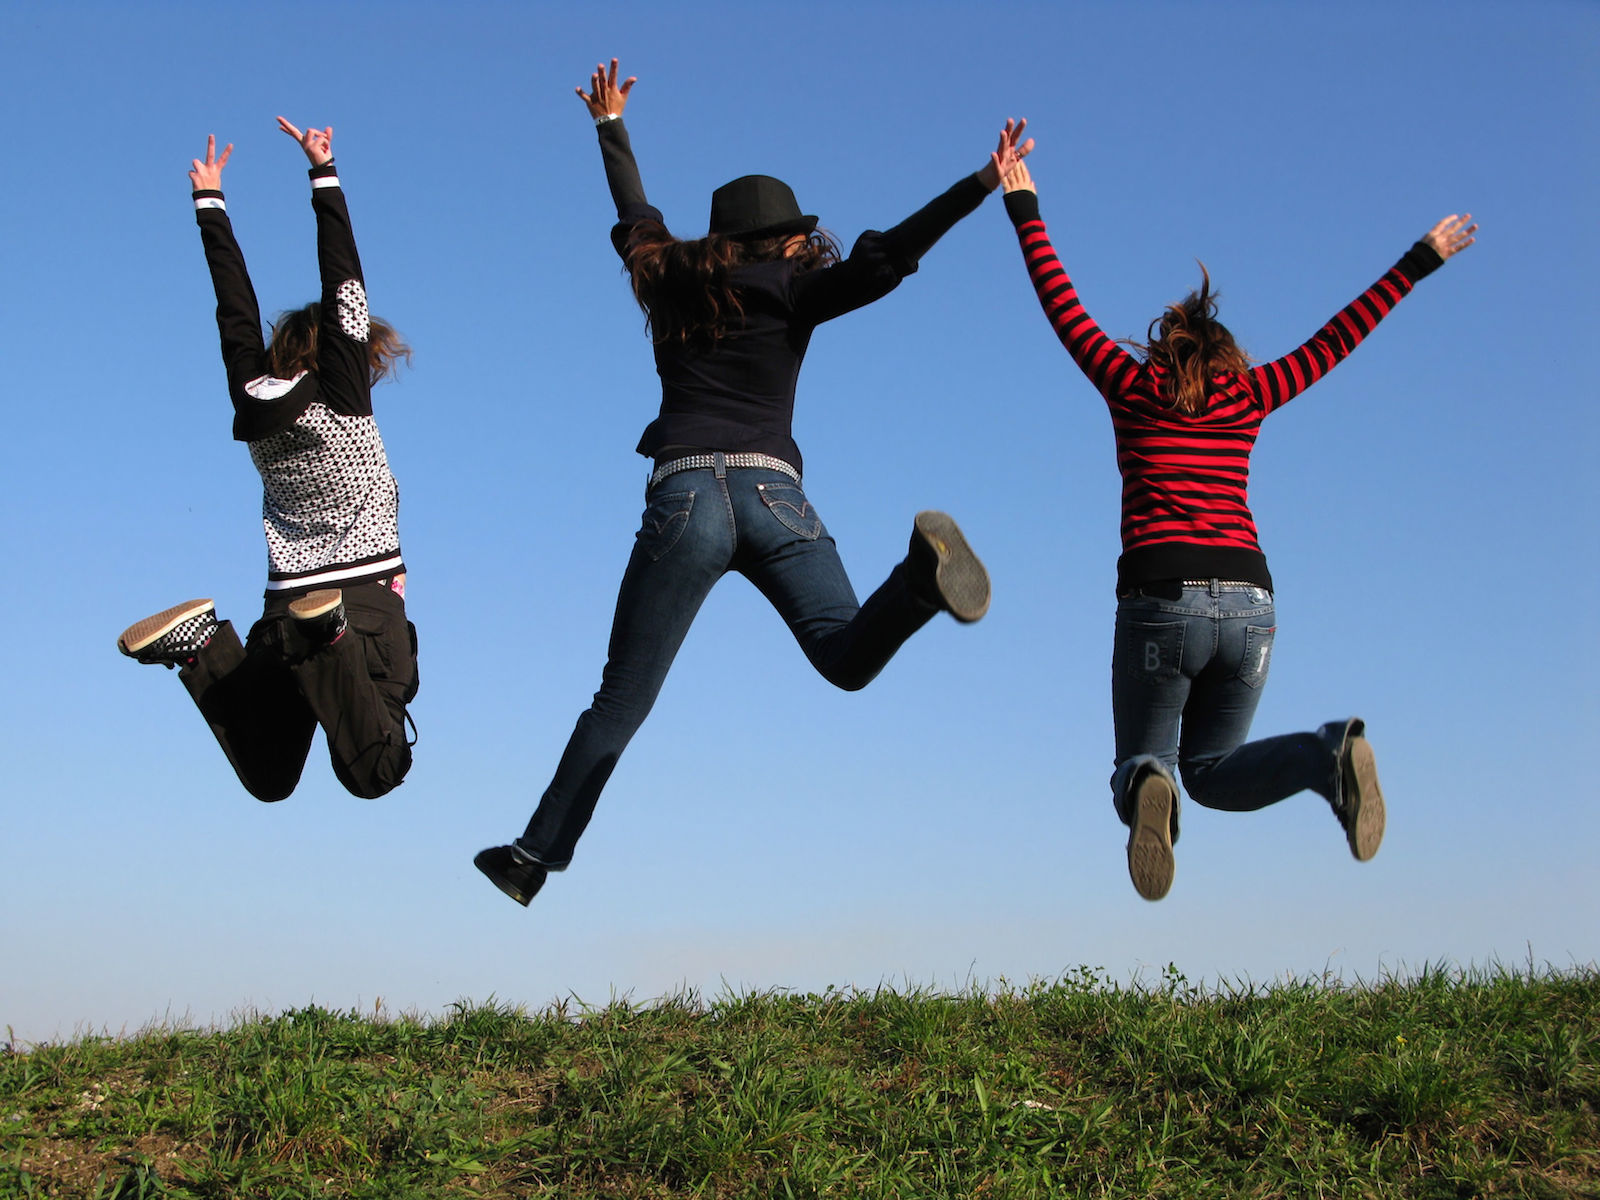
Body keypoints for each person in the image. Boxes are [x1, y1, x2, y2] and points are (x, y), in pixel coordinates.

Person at [474, 59, 1031, 906]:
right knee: (847, 657)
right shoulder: (794, 289)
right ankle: (918, 584)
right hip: (776, 498)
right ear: (786, 239)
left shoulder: (666, 280)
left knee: (619, 701)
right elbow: (886, 259)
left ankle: (532, 857)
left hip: (684, 495)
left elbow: (635, 214)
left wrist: (610, 127)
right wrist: (981, 184)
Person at [998, 158, 1475, 901]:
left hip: (1161, 594)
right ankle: (1326, 759)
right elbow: (1335, 339)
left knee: (1147, 759)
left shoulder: (1129, 385)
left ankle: (1148, 779)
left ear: (1162, 349)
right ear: (1227, 359)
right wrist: (1418, 262)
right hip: (1252, 600)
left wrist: (1023, 205)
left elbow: (1062, 303)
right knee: (1215, 773)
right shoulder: (1250, 395)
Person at [117, 119, 419, 803]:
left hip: (283, 608)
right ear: (352, 355)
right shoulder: (343, 394)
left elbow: (234, 313)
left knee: (271, 774)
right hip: (363, 605)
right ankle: (330, 636)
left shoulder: (251, 401)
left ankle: (202, 648)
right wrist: (323, 172)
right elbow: (345, 283)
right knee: (375, 769)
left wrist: (211, 205)